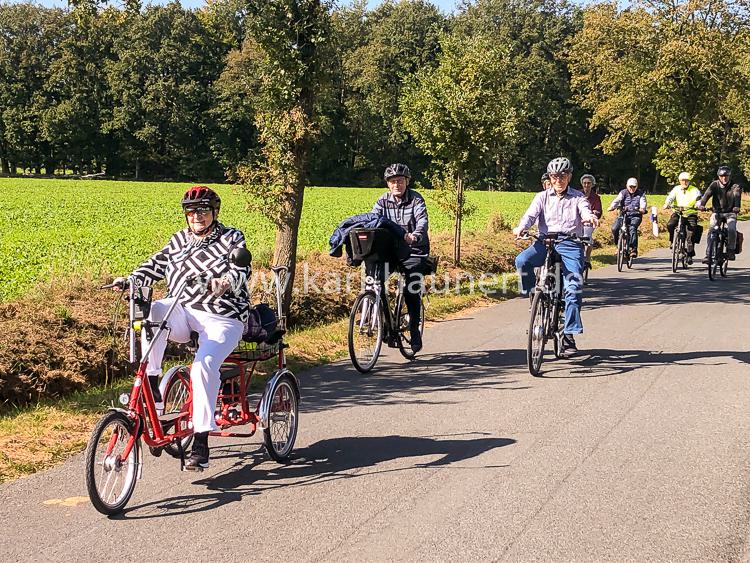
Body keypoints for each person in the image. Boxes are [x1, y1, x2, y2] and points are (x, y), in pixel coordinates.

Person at [113, 186, 250, 470]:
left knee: (203, 366)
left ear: (215, 212)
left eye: (202, 210)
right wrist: (130, 280)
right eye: (191, 211)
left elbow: (239, 273)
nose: (196, 216)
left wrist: (223, 283)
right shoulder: (178, 241)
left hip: (222, 316)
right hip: (184, 312)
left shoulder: (231, 238)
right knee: (153, 311)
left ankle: (201, 441)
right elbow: (154, 265)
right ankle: (153, 381)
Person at [513, 157, 598, 357]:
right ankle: (533, 294)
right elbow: (530, 215)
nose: (557, 180)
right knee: (522, 261)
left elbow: (585, 210)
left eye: (562, 176)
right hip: (545, 241)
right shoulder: (542, 196)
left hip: (570, 243)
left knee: (573, 287)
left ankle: (569, 334)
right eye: (554, 176)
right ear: (549, 178)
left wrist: (589, 217)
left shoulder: (578, 197)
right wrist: (521, 228)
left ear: (569, 177)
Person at [371, 163, 430, 353]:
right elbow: (373, 220)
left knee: (411, 289)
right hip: (391, 251)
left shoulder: (416, 199)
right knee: (375, 280)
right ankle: (384, 323)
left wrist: (416, 235)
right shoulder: (382, 201)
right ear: (388, 184)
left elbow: (422, 221)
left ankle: (414, 330)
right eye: (393, 181)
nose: (397, 184)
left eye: (400, 181)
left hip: (414, 250)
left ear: (407, 182)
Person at [699, 165, 742, 262]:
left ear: (729, 176)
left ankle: (730, 250)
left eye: (726, 176)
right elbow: (706, 195)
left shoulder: (735, 186)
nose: (724, 178)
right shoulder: (714, 184)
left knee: (731, 229)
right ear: (718, 176)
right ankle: (708, 255)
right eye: (722, 176)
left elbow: (737, 196)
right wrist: (702, 204)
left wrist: (737, 207)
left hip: (730, 213)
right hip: (717, 212)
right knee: (711, 230)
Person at [663, 172, 701, 264]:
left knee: (690, 235)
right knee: (670, 225)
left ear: (689, 181)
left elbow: (699, 199)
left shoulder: (694, 190)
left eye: (686, 180)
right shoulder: (676, 189)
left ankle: (689, 254)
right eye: (683, 180)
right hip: (678, 212)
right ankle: (673, 242)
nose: (685, 182)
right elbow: (670, 197)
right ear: (680, 181)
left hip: (690, 214)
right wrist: (667, 204)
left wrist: (698, 204)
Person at [607, 177, 647, 258]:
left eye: (634, 187)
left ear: (637, 186)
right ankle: (618, 247)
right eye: (630, 186)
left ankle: (633, 248)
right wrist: (612, 207)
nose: (632, 188)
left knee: (632, 228)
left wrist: (642, 209)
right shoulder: (623, 192)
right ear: (627, 186)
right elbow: (617, 200)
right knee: (615, 228)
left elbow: (643, 202)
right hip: (623, 215)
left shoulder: (641, 193)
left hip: (636, 215)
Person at [579, 174, 602, 270]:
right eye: (584, 183)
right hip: (577, 221)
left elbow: (598, 211)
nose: (586, 185)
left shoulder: (595, 197)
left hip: (589, 222)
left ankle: (587, 259)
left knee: (588, 238)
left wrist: (594, 214)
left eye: (588, 183)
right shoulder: (578, 194)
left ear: (592, 185)